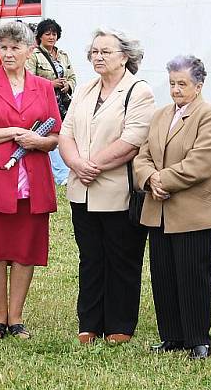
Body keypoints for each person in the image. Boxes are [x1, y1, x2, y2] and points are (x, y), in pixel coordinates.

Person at [58, 28, 155, 345]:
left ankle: (120, 325)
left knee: (122, 258)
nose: (97, 57)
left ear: (125, 56)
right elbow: (66, 133)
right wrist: (76, 164)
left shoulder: (139, 91)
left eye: (105, 51)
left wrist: (93, 164)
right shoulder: (85, 90)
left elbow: (132, 141)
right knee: (90, 258)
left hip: (117, 191)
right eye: (94, 51)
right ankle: (89, 322)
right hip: (81, 189)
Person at [0, 21, 61, 340]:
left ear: (29, 50)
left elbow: (55, 135)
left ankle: (17, 318)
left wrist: (38, 142)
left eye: (14, 47)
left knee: (24, 249)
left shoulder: (44, 87)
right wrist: (13, 133)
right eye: (3, 47)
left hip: (31, 181)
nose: (8, 53)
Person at [134, 55, 211, 360]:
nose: (175, 89)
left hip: (193, 213)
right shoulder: (160, 115)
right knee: (164, 275)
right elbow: (142, 156)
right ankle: (171, 335)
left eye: (182, 84)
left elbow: (202, 161)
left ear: (198, 86)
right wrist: (149, 179)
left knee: (194, 276)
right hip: (159, 210)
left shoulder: (209, 116)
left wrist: (163, 179)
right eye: (172, 83)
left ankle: (198, 338)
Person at [25, 18, 75, 185]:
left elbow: (72, 77)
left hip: (63, 103)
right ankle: (61, 175)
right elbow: (28, 79)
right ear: (40, 36)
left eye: (54, 34)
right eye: (48, 34)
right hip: (44, 103)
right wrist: (50, 85)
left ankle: (65, 171)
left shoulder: (63, 55)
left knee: (65, 135)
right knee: (52, 135)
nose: (51, 37)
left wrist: (68, 85)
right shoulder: (33, 55)